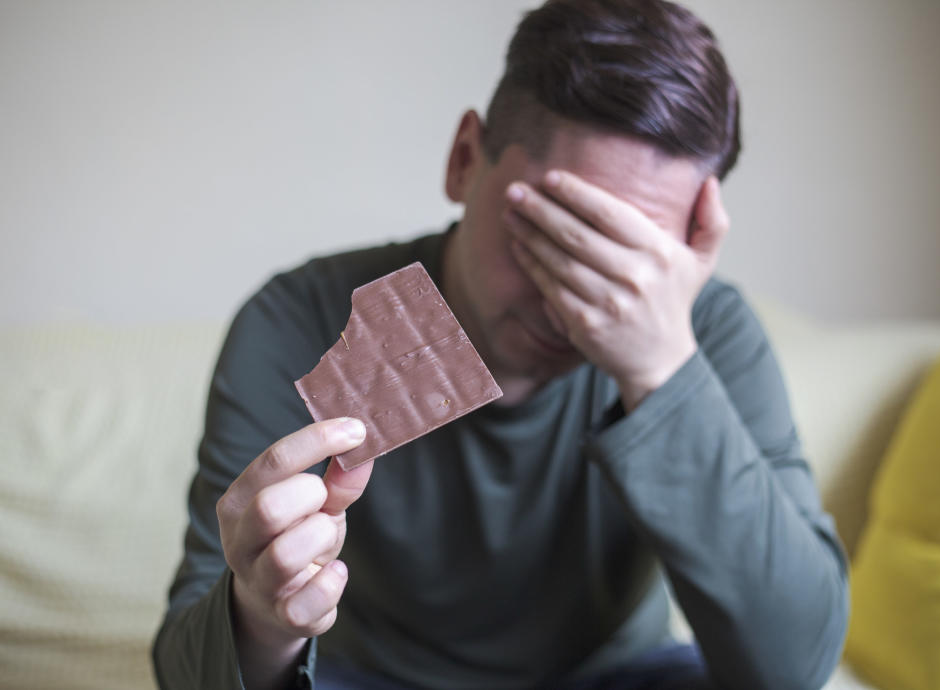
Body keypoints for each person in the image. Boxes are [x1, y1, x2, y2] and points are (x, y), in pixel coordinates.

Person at [153, 1, 849, 688]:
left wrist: (663, 369)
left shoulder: (708, 332)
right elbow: (187, 671)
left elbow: (793, 669)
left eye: (628, 267)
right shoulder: (300, 321)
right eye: (552, 236)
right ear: (464, 161)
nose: (575, 304)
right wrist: (262, 619)